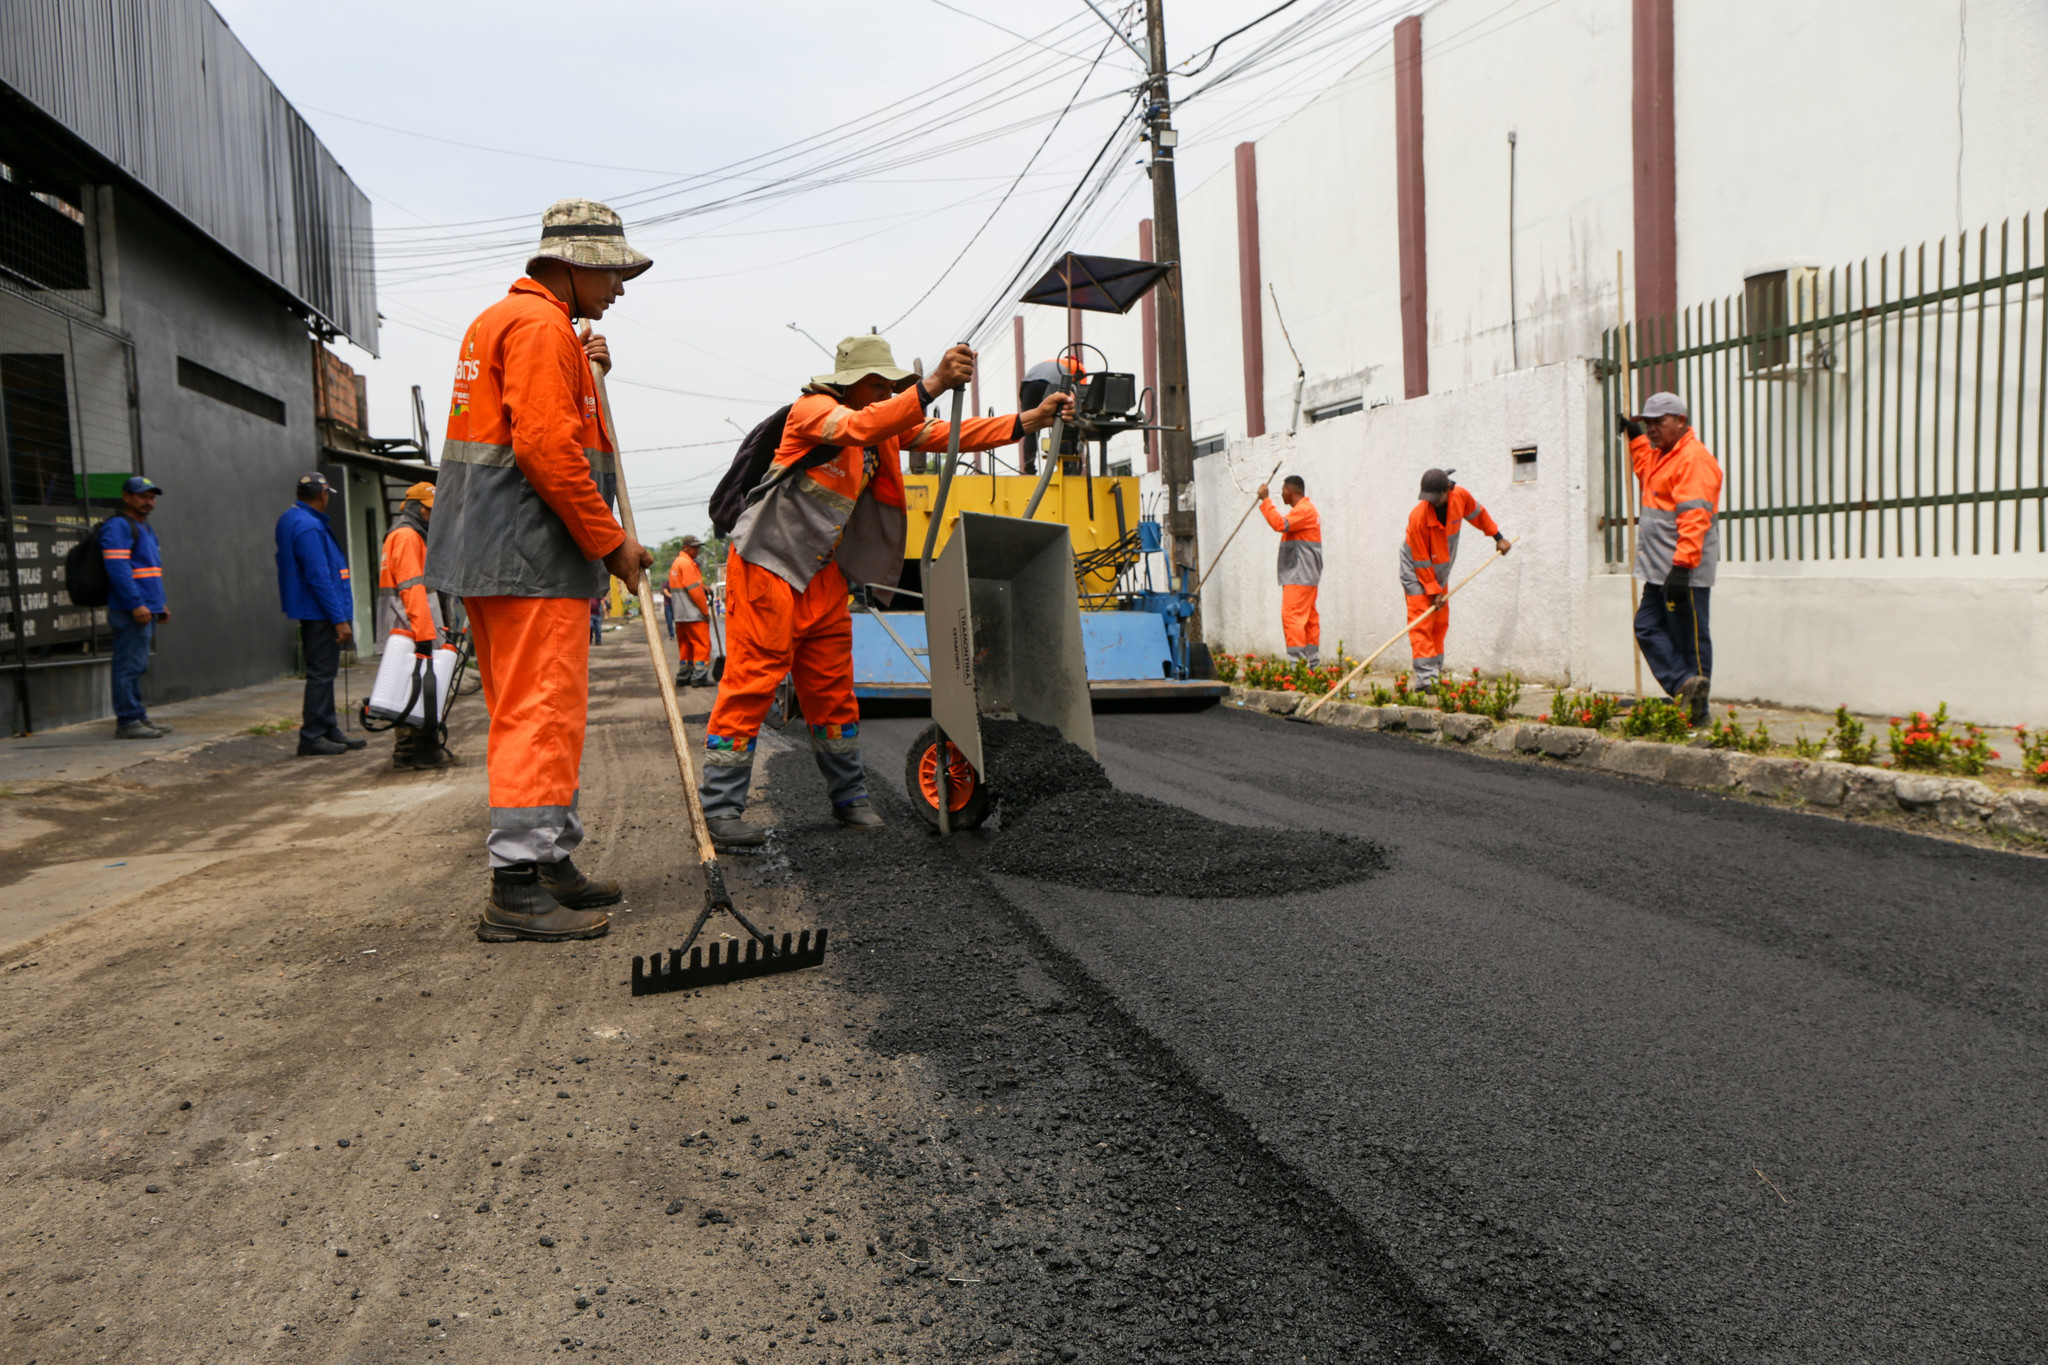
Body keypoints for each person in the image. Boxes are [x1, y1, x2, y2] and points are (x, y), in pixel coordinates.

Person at [698, 335, 1074, 848]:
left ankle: (850, 800)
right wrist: (934, 383)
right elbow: (857, 427)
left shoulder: (886, 430)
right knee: (753, 681)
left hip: (823, 576)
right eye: (879, 383)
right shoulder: (815, 411)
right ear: (851, 383)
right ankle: (720, 809)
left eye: (892, 385)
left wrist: (1032, 420)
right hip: (768, 567)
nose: (886, 392)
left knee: (833, 693)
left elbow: (947, 433)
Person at [424, 197, 654, 944]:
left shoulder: (510, 322)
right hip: (531, 557)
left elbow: (543, 422)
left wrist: (588, 374)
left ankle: (549, 859)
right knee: (539, 715)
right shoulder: (540, 328)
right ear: (576, 264)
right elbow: (549, 452)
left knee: (533, 713)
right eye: (613, 271)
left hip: (497, 554)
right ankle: (517, 888)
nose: (620, 285)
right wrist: (611, 542)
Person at [1621, 391, 1722, 725]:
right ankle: (1683, 685)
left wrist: (1682, 566)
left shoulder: (1693, 460)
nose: (1651, 430)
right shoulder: (1660, 456)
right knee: (1647, 626)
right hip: (1659, 570)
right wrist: (1635, 439)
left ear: (1681, 420)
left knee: (1688, 641)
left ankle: (1697, 714)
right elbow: (1644, 471)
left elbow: (1695, 517)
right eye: (1646, 423)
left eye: (1658, 422)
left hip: (1683, 571)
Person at [275, 472, 365, 757]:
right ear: (322, 495)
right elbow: (319, 576)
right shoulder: (309, 526)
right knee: (321, 674)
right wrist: (339, 619)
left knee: (324, 673)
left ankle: (328, 728)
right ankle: (312, 735)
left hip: (313, 608)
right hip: (320, 611)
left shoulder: (292, 519)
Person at [1400, 468, 1510, 687]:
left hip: (1439, 571)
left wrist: (1498, 537)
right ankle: (1425, 679)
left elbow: (1479, 515)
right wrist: (1433, 591)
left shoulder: (1460, 496)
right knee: (1422, 620)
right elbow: (1420, 560)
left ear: (1446, 491)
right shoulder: (1418, 517)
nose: (1430, 503)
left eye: (1434, 498)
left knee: (1439, 622)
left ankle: (1435, 673)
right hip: (1415, 571)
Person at [376, 480, 451, 770]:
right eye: (431, 511)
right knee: (416, 690)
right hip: (411, 627)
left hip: (404, 626)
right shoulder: (408, 536)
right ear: (418, 509)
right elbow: (412, 588)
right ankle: (417, 751)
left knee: (407, 687)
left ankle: (407, 751)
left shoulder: (404, 534)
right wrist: (424, 633)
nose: (435, 516)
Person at [102, 475, 171, 739]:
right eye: (142, 496)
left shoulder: (144, 527)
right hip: (130, 610)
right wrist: (136, 604)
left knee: (137, 665)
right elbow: (118, 570)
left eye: (152, 497)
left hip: (145, 608)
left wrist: (158, 605)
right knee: (128, 665)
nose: (149, 502)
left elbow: (150, 571)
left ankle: (137, 715)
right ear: (126, 497)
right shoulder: (119, 527)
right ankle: (128, 721)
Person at [1256, 475, 1323, 665]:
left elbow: (1280, 524)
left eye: (1283, 489)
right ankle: (1312, 665)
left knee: (1291, 617)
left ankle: (1298, 667)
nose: (1281, 493)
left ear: (1290, 491)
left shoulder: (1303, 510)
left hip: (1299, 575)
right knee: (1308, 619)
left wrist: (1266, 500)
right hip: (1306, 575)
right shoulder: (1307, 510)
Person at [1018, 355, 1086, 474]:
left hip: (1028, 384)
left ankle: (1029, 468)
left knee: (1030, 426)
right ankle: (1066, 468)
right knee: (1064, 423)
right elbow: (1081, 392)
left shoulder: (1050, 361)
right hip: (1053, 383)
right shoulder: (1078, 367)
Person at [667, 535, 712, 687]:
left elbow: (688, 586)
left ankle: (684, 675)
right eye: (694, 547)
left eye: (698, 547)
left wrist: (703, 587)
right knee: (702, 644)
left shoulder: (677, 563)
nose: (697, 550)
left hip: (681, 614)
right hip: (693, 613)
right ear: (685, 547)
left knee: (686, 646)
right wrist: (705, 612)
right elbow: (694, 591)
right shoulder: (687, 564)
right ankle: (699, 676)